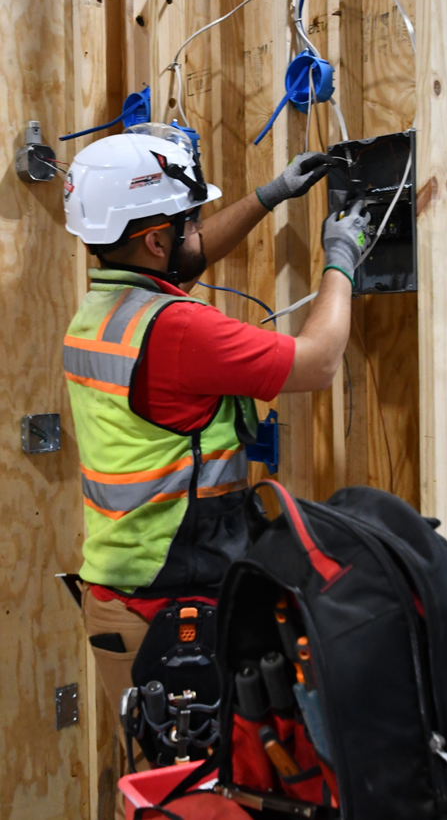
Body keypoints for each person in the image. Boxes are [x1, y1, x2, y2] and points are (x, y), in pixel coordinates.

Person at [62, 124, 368, 743]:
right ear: (154, 240)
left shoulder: (102, 314)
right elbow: (319, 361)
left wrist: (271, 194)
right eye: (189, 223)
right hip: (171, 606)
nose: (197, 233)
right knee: (199, 795)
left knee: (160, 790)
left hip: (121, 593)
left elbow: (185, 261)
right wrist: (342, 259)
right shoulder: (179, 330)